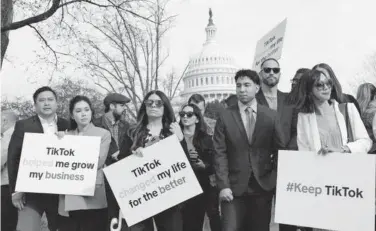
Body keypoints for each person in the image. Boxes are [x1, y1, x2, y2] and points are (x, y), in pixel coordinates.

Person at [213, 69, 285, 231]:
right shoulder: (225, 116)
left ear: (257, 88)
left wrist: (272, 177)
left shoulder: (271, 116)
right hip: (232, 189)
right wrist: (223, 185)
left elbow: (280, 150)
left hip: (262, 187)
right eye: (238, 86)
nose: (242, 89)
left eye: (247, 85)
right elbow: (219, 153)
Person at [108, 90, 188, 231]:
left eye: (158, 103)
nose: (153, 106)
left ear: (165, 107)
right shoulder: (132, 132)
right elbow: (121, 164)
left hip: (169, 195)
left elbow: (186, 165)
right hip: (141, 197)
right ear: (144, 106)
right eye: (149, 103)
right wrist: (133, 157)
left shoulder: (174, 131)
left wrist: (181, 140)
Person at [7, 86, 70, 231]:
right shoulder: (23, 125)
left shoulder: (67, 124)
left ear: (57, 103)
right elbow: (13, 158)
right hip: (31, 192)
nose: (46, 103)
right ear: (35, 105)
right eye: (41, 100)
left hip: (60, 192)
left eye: (50, 100)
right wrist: (15, 191)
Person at [57, 95, 111, 231]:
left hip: (92, 193)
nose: (83, 114)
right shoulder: (65, 136)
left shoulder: (103, 134)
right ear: (72, 115)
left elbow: (98, 161)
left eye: (86, 110)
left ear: (91, 112)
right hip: (70, 193)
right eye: (78, 111)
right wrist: (58, 141)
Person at [179, 103, 215, 231]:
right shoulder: (173, 137)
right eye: (182, 114)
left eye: (189, 114)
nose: (185, 117)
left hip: (200, 187)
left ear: (197, 118)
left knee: (195, 225)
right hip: (179, 188)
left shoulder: (206, 139)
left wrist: (204, 165)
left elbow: (214, 163)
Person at [187, 94, 221, 231]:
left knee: (213, 213)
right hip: (189, 178)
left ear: (204, 108)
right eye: (193, 110)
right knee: (192, 216)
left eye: (199, 110)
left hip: (209, 177)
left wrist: (208, 167)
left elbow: (219, 152)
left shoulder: (213, 126)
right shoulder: (181, 125)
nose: (197, 114)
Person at [1, 110, 18, 231]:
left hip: (7, 185)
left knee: (6, 223)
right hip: (15, 185)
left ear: (4, 120)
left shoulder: (9, 136)